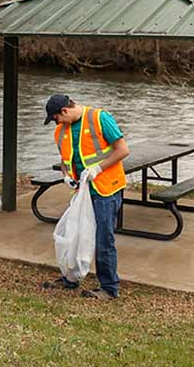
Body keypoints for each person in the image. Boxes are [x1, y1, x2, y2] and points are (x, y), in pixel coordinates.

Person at [41, 94, 129, 299]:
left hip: (106, 188)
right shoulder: (60, 131)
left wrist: (98, 168)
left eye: (56, 118)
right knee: (76, 233)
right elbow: (64, 160)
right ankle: (70, 278)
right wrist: (66, 176)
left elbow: (123, 150)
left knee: (103, 238)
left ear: (64, 111)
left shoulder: (100, 119)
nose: (56, 123)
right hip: (82, 191)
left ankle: (109, 287)